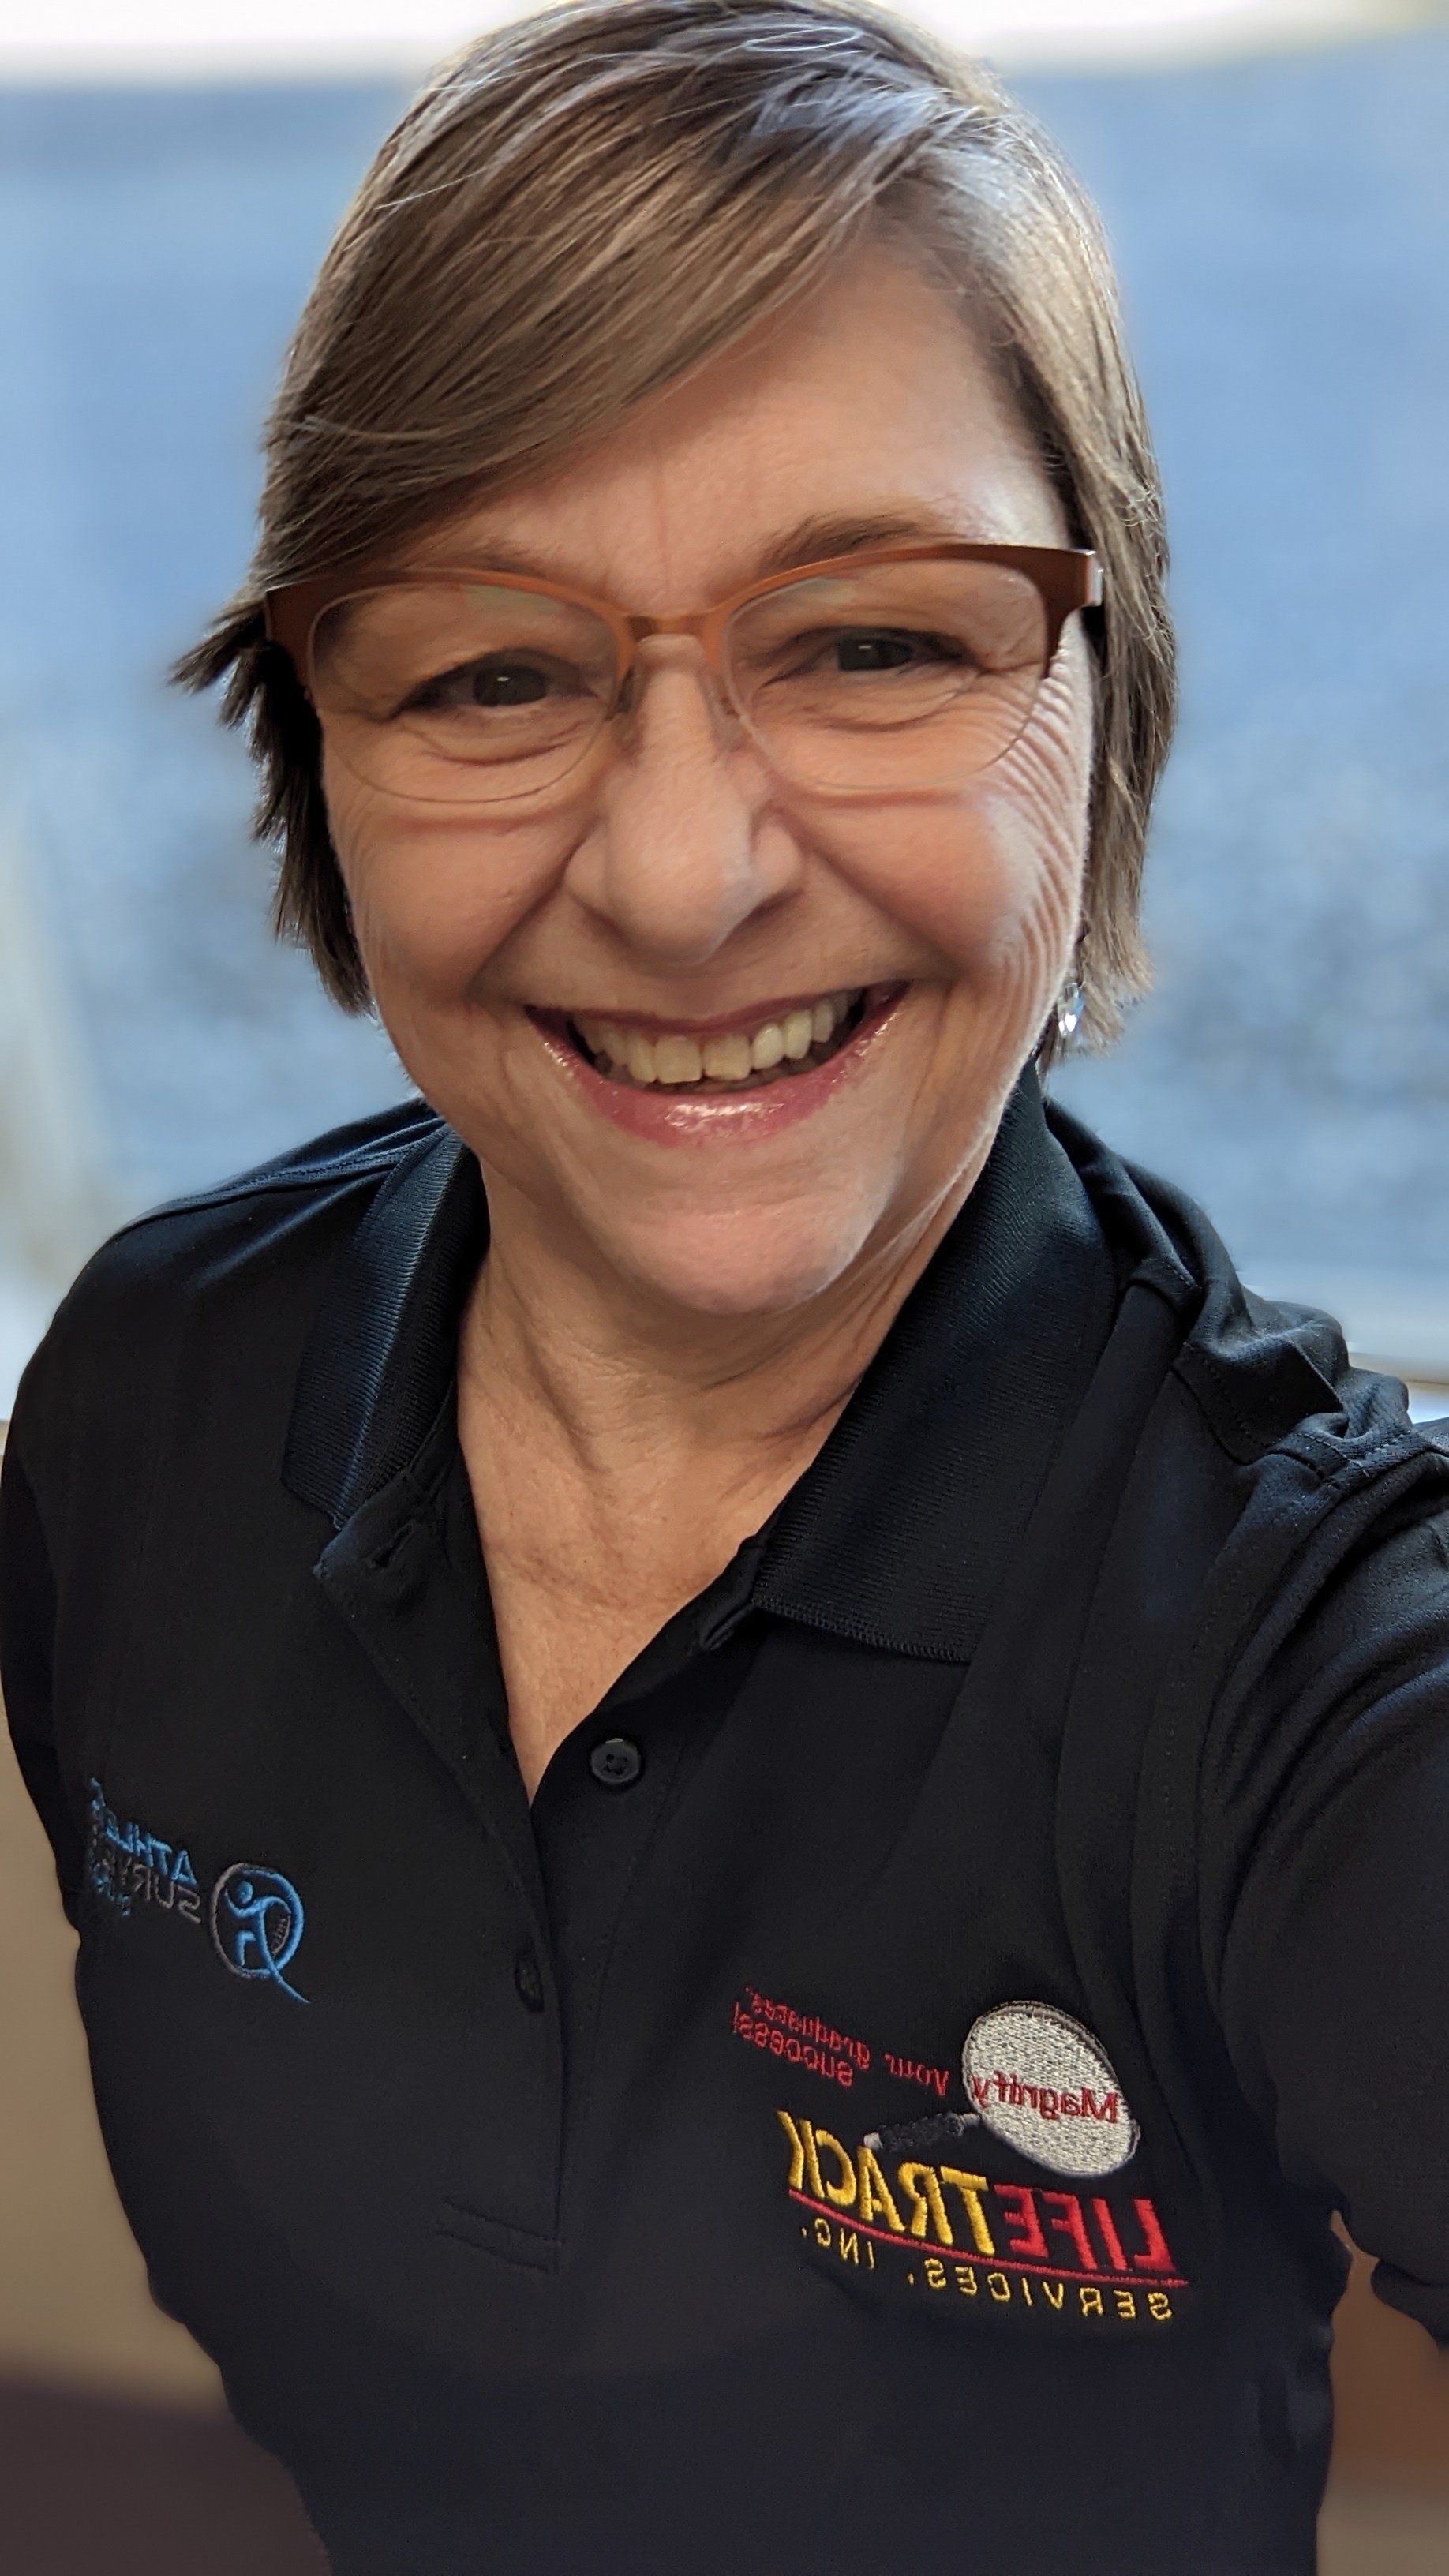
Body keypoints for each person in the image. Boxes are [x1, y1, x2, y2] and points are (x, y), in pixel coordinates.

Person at [2, 3, 1446, 2569]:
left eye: (875, 641)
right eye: (491, 672)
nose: (682, 879)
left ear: (1101, 710)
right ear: (322, 763)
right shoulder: (143, 1400)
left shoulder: (1295, 1650)